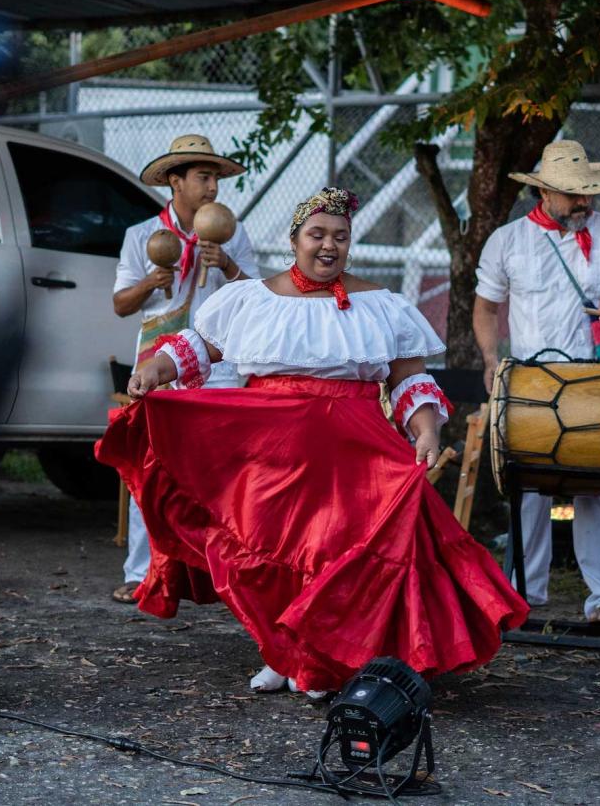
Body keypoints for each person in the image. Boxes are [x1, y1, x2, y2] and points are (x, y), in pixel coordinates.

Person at [96, 187, 529, 696]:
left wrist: (428, 429)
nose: (329, 246)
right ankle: (280, 653)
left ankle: (322, 660)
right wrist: (156, 367)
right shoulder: (252, 297)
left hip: (355, 451)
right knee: (265, 558)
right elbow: (201, 346)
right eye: (317, 235)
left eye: (340, 237)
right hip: (267, 449)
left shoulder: (381, 304)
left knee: (339, 555)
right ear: (295, 240)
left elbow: (408, 379)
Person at [472, 140, 600, 622]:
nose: (583, 202)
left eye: (587, 193)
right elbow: (487, 308)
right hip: (531, 384)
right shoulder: (508, 240)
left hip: (596, 383)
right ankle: (525, 595)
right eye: (573, 194)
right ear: (545, 193)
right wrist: (492, 360)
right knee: (528, 488)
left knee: (594, 490)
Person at [109, 134, 259, 603]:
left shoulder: (235, 232)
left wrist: (231, 267)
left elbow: (261, 301)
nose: (213, 187)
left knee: (222, 473)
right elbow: (119, 305)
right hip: (159, 362)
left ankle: (220, 575)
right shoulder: (141, 236)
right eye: (203, 177)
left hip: (222, 361)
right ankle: (141, 574)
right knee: (152, 467)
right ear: (175, 181)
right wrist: (153, 281)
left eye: (215, 177)